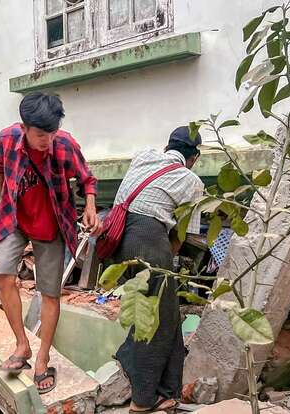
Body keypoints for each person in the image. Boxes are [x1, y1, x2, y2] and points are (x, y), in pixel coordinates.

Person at [0, 92, 99, 394]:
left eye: (51, 133)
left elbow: (88, 179)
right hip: (15, 219)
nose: (47, 140)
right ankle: (22, 346)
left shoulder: (64, 144)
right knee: (3, 274)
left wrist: (90, 205)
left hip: (51, 225)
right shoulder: (4, 140)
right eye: (41, 134)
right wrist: (7, 198)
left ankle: (42, 359)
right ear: (24, 128)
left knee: (49, 293)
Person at [113, 126, 204, 413]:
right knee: (156, 323)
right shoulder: (190, 180)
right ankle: (141, 400)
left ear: (168, 147)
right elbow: (182, 234)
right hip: (149, 240)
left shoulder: (144, 156)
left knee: (164, 314)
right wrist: (164, 261)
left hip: (117, 238)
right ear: (195, 157)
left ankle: (167, 391)